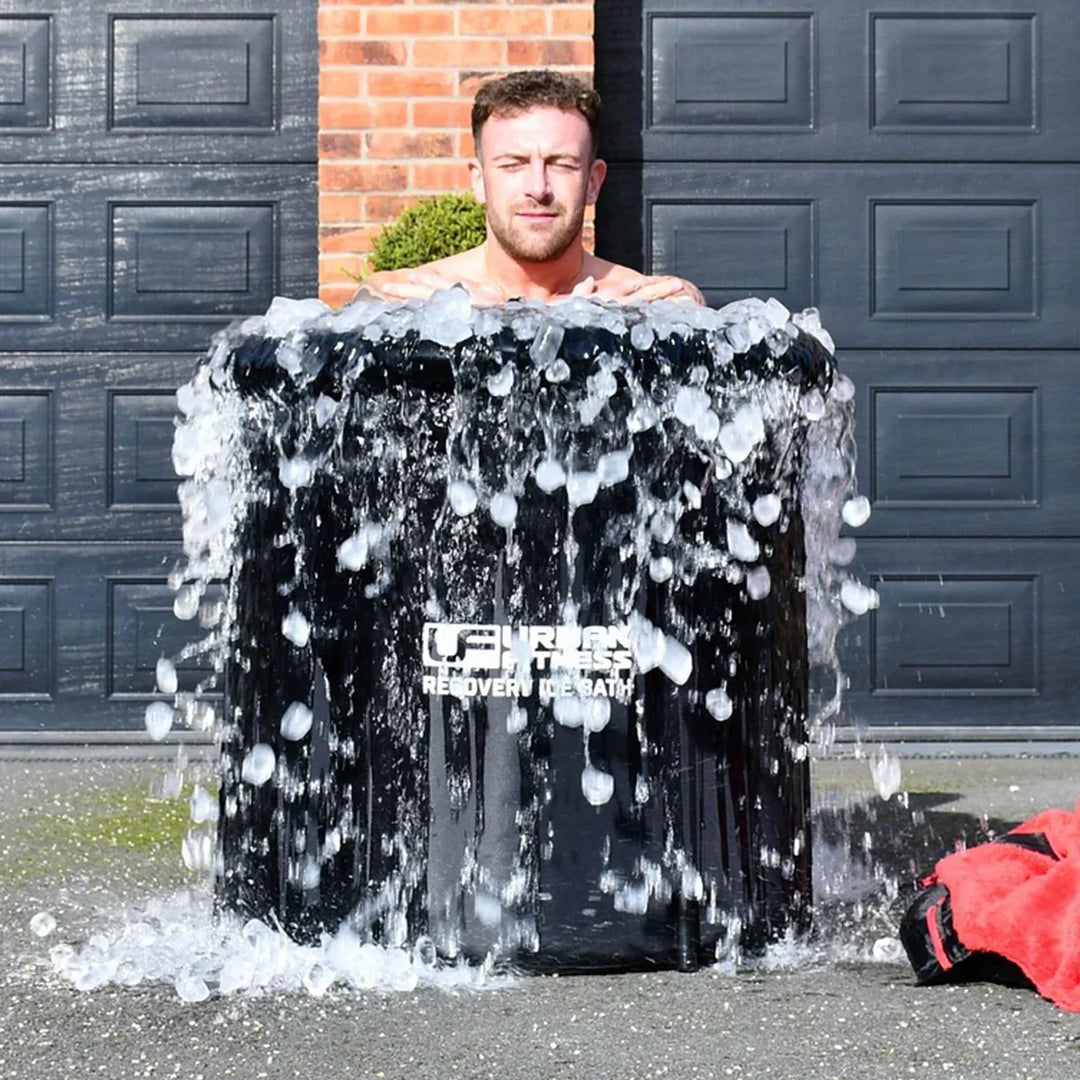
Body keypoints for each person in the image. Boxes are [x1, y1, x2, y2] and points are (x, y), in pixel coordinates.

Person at [353, 70, 705, 307]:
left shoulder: (633, 304)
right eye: (513, 164)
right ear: (479, 180)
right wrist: (377, 302)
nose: (538, 188)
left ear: (594, 182)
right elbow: (367, 298)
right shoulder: (429, 297)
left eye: (561, 164)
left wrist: (692, 305)